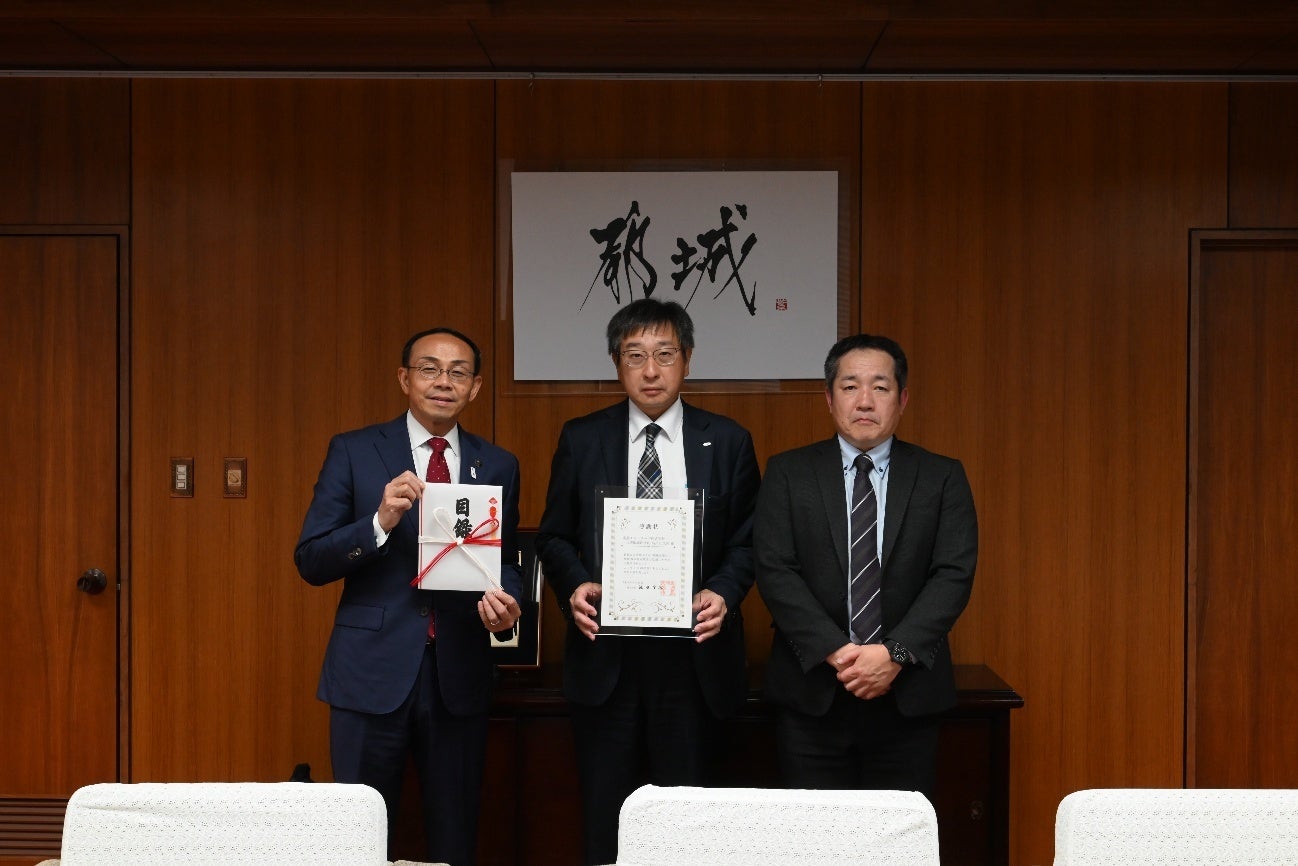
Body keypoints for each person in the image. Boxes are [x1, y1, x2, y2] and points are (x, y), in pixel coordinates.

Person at [535, 298, 760, 866]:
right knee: (606, 822)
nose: (651, 370)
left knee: (688, 828)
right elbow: (553, 536)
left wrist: (724, 592)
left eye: (665, 354)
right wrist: (575, 585)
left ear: (688, 359)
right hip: (606, 661)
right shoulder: (582, 438)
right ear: (617, 363)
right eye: (635, 356)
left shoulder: (727, 440)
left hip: (693, 664)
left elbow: (749, 542)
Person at [294, 327, 523, 866]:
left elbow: (506, 560)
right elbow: (312, 560)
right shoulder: (354, 451)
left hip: (458, 673)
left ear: (475, 387)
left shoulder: (498, 464)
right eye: (429, 369)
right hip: (370, 672)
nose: (443, 382)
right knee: (360, 835)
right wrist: (379, 521)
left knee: (455, 832)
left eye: (458, 372)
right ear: (404, 379)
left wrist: (507, 606)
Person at [754, 333, 976, 799]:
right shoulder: (788, 472)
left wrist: (894, 655)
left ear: (903, 399)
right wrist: (840, 653)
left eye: (880, 387)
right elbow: (775, 570)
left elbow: (953, 574)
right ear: (829, 398)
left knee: (898, 834)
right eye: (850, 386)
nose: (865, 401)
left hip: (907, 695)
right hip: (813, 694)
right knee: (813, 833)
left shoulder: (941, 476)